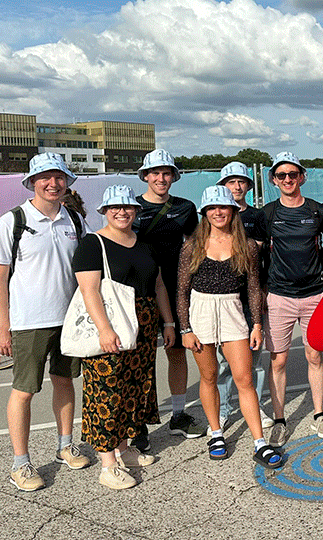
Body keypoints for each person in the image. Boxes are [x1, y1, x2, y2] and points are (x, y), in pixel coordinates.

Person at [0, 152, 92, 491]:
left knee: (65, 383)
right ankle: (21, 464)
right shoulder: (12, 221)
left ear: (66, 182)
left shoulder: (74, 220)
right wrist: (3, 326)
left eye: (59, 177)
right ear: (32, 181)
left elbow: (89, 266)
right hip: (28, 322)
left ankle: (65, 446)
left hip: (69, 320)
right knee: (24, 391)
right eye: (45, 177)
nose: (53, 183)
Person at [72, 185, 176, 489]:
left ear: (136, 211)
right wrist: (104, 328)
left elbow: (158, 286)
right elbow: (89, 290)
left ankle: (124, 448)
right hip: (112, 323)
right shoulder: (93, 244)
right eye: (115, 207)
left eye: (128, 207)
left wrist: (167, 322)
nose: (122, 211)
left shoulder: (144, 244)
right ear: (105, 210)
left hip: (143, 324)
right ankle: (108, 463)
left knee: (134, 388)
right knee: (106, 390)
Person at [177, 185, 283, 467]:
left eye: (223, 207)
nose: (218, 213)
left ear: (233, 211)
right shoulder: (192, 246)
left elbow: (253, 288)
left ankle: (259, 442)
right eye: (212, 208)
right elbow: (181, 291)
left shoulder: (247, 245)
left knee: (244, 378)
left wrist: (257, 324)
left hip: (234, 311)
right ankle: (216, 433)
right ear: (205, 213)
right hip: (200, 312)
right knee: (209, 377)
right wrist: (185, 329)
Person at [262, 152, 323, 444]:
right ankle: (280, 420)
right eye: (281, 175)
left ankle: (319, 415)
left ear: (302, 177)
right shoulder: (268, 213)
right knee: (279, 360)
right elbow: (256, 251)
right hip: (279, 296)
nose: (287, 179)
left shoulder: (317, 210)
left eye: (292, 174)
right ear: (273, 180)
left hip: (313, 296)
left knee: (314, 354)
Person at [134, 148, 205, 444]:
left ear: (173, 177)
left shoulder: (186, 208)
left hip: (176, 290)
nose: (161, 178)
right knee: (139, 359)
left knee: (176, 353)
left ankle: (177, 415)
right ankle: (137, 423)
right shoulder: (130, 207)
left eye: (166, 173)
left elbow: (198, 246)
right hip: (140, 292)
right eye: (155, 173)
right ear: (146, 176)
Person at [213, 162, 273, 431]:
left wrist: (264, 289)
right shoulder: (213, 215)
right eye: (231, 182)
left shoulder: (257, 216)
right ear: (222, 186)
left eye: (241, 182)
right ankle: (224, 409)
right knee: (225, 360)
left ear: (249, 186)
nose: (236, 187)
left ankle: (256, 406)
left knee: (254, 355)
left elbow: (263, 255)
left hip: (251, 293)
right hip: (222, 297)